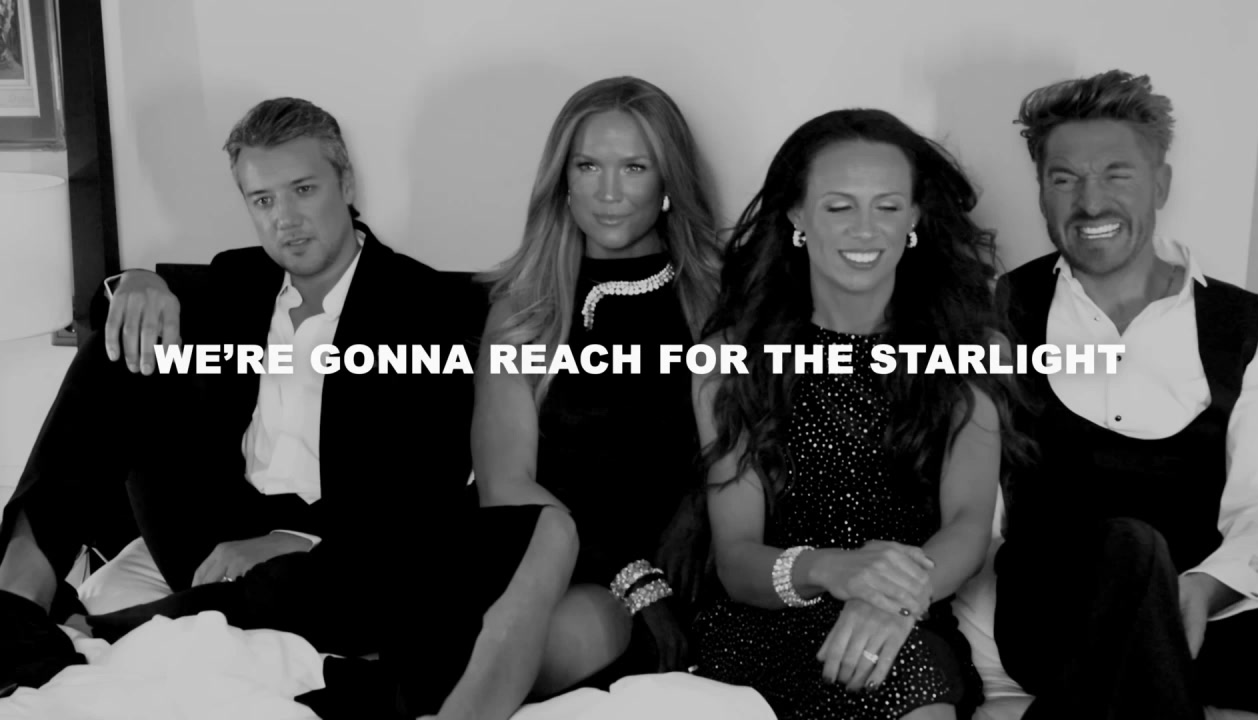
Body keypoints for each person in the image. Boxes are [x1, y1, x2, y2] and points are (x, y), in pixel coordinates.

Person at [0, 96, 575, 720]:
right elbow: (114, 316)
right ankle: (18, 594)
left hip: (335, 548)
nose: (286, 220)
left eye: (303, 190)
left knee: (337, 577)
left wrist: (289, 539)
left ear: (346, 184)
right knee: (118, 350)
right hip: (208, 533)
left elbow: (425, 479)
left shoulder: (429, 305)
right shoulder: (234, 279)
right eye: (263, 201)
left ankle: (105, 633)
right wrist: (131, 283)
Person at [690, 108, 1033, 720]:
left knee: (907, 667)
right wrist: (837, 571)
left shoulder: (972, 348)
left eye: (888, 206)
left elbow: (967, 524)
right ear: (797, 216)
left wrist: (894, 599)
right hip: (771, 621)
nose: (866, 230)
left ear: (915, 218)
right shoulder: (730, 357)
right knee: (901, 672)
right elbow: (737, 558)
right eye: (839, 206)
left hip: (910, 617)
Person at [993, 70, 1258, 720]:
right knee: (1130, 545)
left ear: (1162, 184)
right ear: (1040, 192)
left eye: (1116, 175)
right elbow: (971, 498)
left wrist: (1202, 590)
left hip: (1205, 614)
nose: (1090, 202)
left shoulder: (1253, 327)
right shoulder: (996, 316)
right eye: (1064, 179)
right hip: (1055, 615)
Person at [468, 75, 723, 700]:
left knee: (539, 648)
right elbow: (505, 485)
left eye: (634, 167)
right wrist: (629, 576)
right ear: (563, 179)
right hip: (546, 556)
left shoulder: (718, 298)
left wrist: (693, 520)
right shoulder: (522, 306)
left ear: (668, 180)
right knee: (482, 643)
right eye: (588, 166)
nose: (609, 193)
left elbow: (737, 456)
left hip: (679, 566)